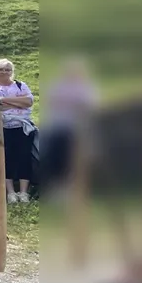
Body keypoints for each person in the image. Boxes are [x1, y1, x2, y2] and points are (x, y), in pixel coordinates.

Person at [0, 58, 38, 203]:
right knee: (5, 158)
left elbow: (29, 102)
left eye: (7, 69)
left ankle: (24, 193)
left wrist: (2, 100)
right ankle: (11, 192)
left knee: (25, 157)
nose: (4, 72)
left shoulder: (20, 85)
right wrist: (18, 102)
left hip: (23, 126)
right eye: (1, 69)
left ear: (11, 72)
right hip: (1, 127)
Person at [42, 58, 97, 196]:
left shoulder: (86, 87)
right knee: (56, 155)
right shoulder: (58, 86)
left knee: (74, 157)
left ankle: (73, 187)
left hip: (77, 127)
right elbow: (52, 103)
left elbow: (89, 106)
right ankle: (57, 187)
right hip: (58, 126)